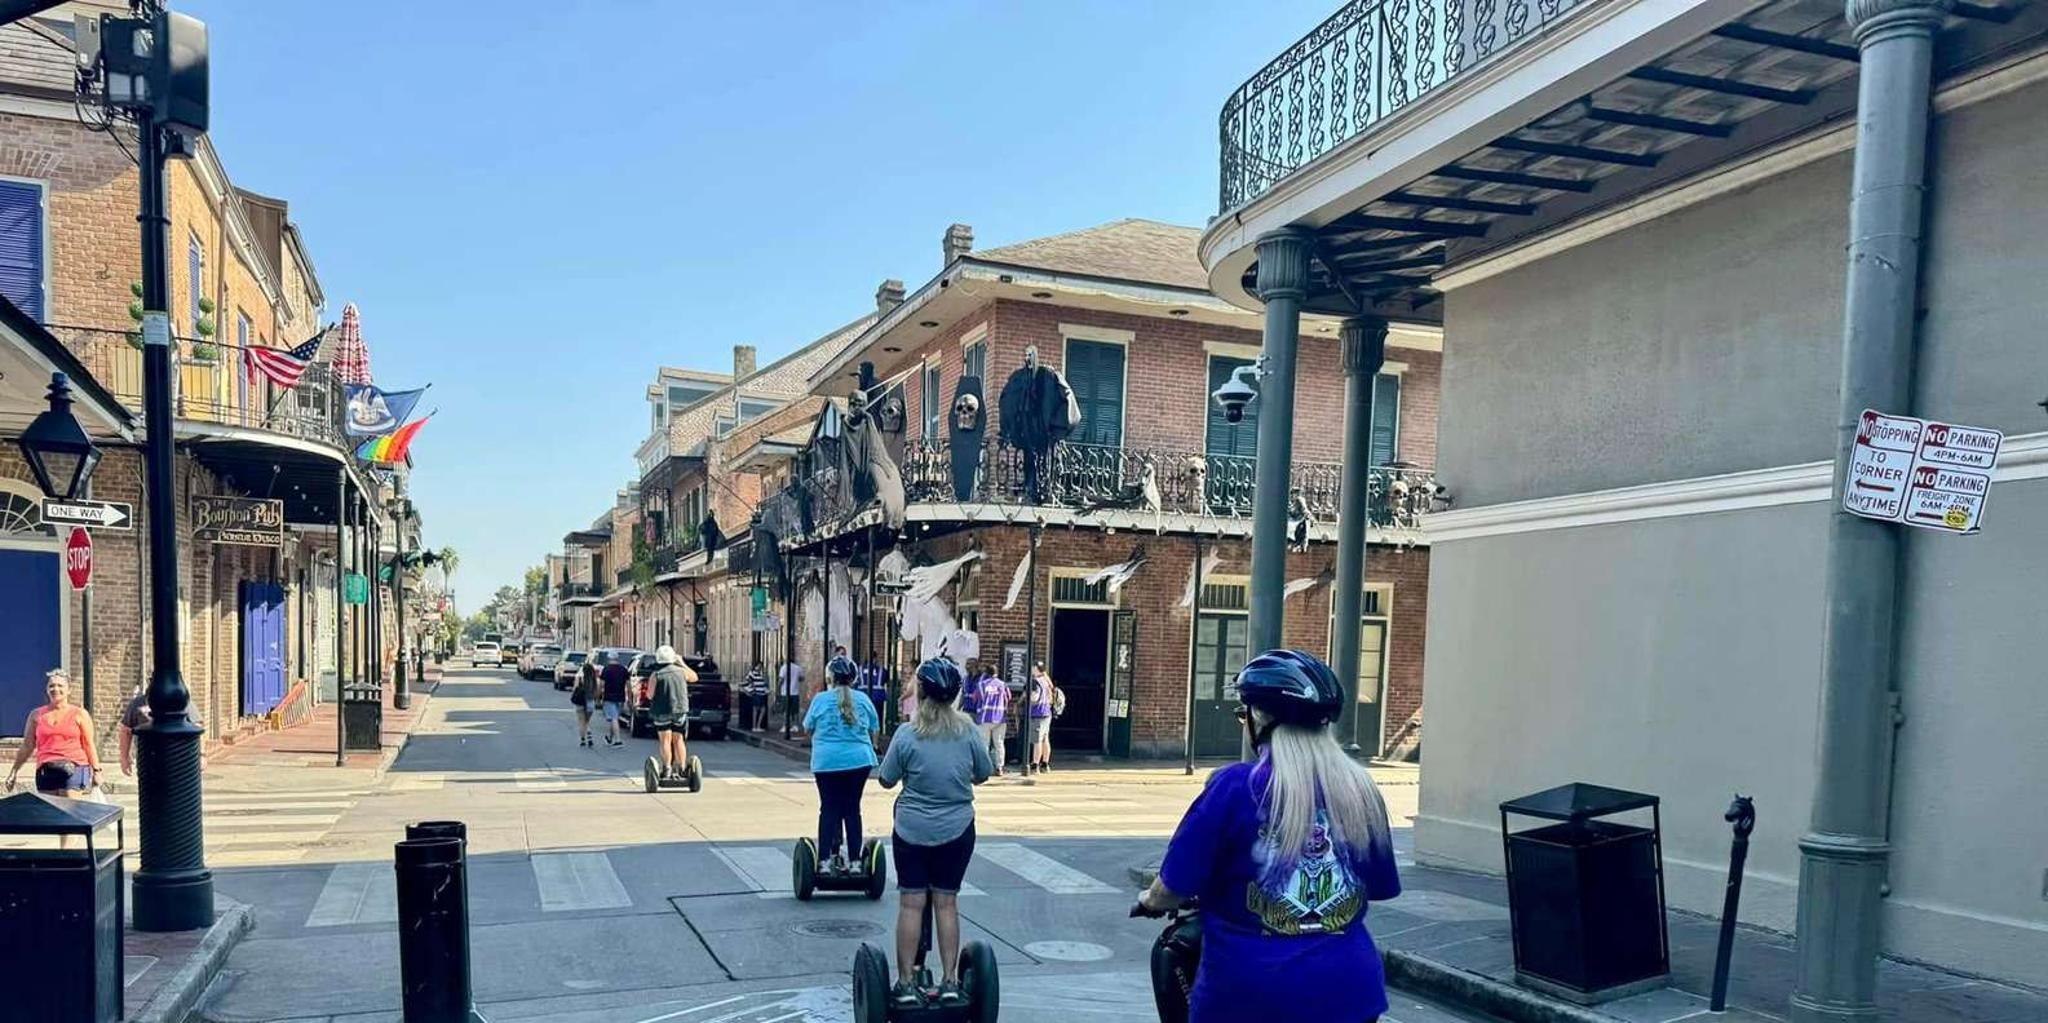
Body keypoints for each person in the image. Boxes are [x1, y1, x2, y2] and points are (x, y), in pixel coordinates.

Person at [1136, 650, 1400, 1023]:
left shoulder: (1234, 787)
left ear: (1259, 717)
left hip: (1250, 998)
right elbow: (1378, 886)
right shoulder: (1361, 790)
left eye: (1244, 713)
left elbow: (1171, 888)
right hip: (1350, 993)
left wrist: (1149, 900)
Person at [876, 658, 993, 1009]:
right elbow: (984, 773)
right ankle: (950, 982)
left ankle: (906, 983)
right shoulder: (969, 730)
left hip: (912, 828)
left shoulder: (907, 734)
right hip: (956, 828)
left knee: (912, 903)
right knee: (946, 901)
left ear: (922, 692)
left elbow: (885, 779)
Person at [803, 654, 881, 873]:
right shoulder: (863, 699)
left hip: (827, 761)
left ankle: (825, 861)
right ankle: (856, 862)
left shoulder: (821, 699)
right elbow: (875, 728)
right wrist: (871, 744)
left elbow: (807, 728)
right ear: (854, 678)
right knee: (852, 809)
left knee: (829, 808)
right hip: (859, 761)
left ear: (831, 678)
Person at [6, 671, 103, 798]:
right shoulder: (36, 715)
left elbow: (88, 744)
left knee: (68, 812)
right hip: (46, 770)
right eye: (51, 686)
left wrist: (96, 771)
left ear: (69, 690)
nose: (55, 689)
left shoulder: (79, 714)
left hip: (74, 768)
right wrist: (14, 771)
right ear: (47, 690)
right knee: (50, 814)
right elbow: (27, 746)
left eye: (60, 686)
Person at [118, 680, 204, 777]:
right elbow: (126, 730)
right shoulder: (138, 703)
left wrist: (201, 755)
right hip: (148, 760)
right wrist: (124, 758)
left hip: (179, 759)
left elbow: (197, 728)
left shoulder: (182, 703)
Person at [645, 646, 697, 780]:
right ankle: (682, 768)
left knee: (665, 740)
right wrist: (681, 663)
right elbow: (694, 677)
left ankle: (667, 768)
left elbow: (649, 695)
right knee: (679, 739)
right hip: (679, 710)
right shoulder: (681, 671)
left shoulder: (656, 674)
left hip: (661, 710)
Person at [971, 664, 1009, 776]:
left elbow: (974, 698)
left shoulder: (982, 685)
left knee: (984, 744)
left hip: (985, 717)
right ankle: (999, 767)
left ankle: (985, 768)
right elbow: (1008, 698)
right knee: (999, 744)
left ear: (986, 673)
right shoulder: (1002, 685)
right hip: (1000, 718)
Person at [598, 651, 632, 747]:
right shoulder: (623, 670)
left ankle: (618, 740)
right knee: (615, 718)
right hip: (620, 697)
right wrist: (629, 698)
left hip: (609, 697)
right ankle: (610, 738)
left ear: (609, 659)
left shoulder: (606, 669)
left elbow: (601, 685)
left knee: (614, 718)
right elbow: (628, 685)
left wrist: (599, 696)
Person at [1027, 662, 1056, 773]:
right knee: (1045, 739)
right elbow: (1050, 696)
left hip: (1037, 713)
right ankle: (1045, 763)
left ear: (1036, 668)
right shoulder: (1047, 681)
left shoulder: (1035, 682)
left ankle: (1035, 765)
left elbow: (1034, 697)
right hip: (1047, 712)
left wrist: (1028, 698)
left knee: (1037, 740)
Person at [571, 654, 600, 747]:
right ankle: (589, 734)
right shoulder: (594, 680)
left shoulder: (580, 679)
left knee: (581, 721)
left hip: (580, 702)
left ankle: (583, 739)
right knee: (587, 721)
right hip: (590, 702)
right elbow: (597, 692)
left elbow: (575, 689)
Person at [778, 657, 805, 729]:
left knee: (786, 710)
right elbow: (802, 678)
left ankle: (785, 725)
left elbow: (781, 680)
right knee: (795, 711)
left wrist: (778, 688)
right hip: (795, 692)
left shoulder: (783, 668)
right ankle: (795, 726)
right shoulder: (798, 668)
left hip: (785, 692)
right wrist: (795, 680)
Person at [742, 663, 769, 730]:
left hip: (762, 693)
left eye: (760, 666)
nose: (759, 667)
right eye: (758, 666)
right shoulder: (753, 673)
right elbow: (747, 679)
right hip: (757, 693)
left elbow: (763, 684)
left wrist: (766, 690)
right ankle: (755, 726)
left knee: (761, 709)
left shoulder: (761, 674)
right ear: (755, 666)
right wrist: (752, 687)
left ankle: (757, 726)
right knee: (757, 709)